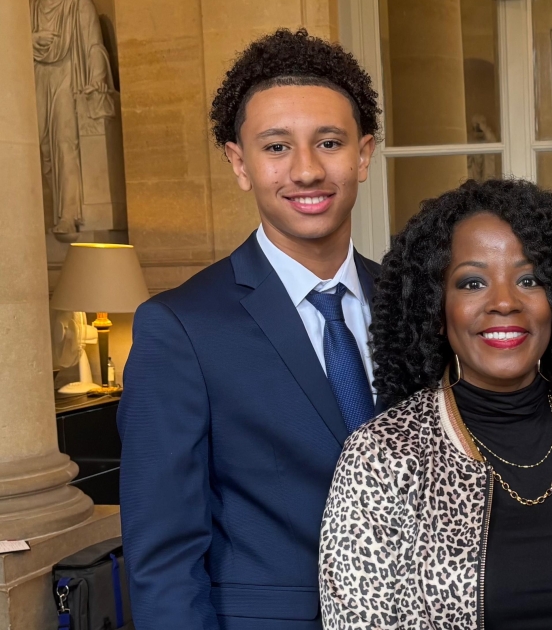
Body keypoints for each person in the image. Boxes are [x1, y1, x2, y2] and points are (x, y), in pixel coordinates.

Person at [319, 179, 552, 630]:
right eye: (472, 282)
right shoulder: (383, 455)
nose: (504, 303)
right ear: (436, 309)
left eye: (529, 279)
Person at [118, 29, 380, 630]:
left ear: (363, 155)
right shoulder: (181, 328)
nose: (307, 171)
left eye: (330, 143)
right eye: (276, 147)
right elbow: (163, 560)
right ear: (240, 163)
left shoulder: (412, 302)